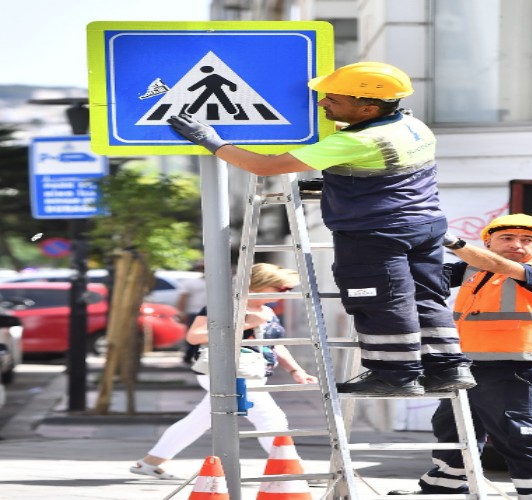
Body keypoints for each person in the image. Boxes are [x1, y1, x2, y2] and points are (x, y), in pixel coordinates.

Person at [169, 62, 474, 396]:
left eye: (334, 99)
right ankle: (448, 368)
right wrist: (339, 181)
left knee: (381, 301)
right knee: (426, 296)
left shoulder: (357, 141)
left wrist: (213, 142)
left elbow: (265, 165)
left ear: (368, 107)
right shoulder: (413, 126)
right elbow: (386, 174)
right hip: (424, 225)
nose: (322, 103)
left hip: (376, 233)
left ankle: (395, 374)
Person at [390, 214, 532, 498]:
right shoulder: (472, 271)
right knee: (452, 429)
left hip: (520, 365)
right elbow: (420, 275)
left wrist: (452, 242)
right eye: (507, 238)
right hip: (467, 364)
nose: (517, 245)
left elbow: (500, 265)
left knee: (521, 431)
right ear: (488, 242)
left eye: (528, 240)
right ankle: (443, 488)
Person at [130, 263, 318, 479]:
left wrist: (296, 370)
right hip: (228, 373)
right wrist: (246, 324)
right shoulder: (225, 306)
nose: (287, 294)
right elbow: (195, 336)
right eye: (283, 289)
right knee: (271, 419)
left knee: (198, 421)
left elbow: (274, 344)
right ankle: (293, 471)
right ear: (260, 286)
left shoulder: (267, 311)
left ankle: (149, 463)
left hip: (251, 373)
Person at [176, 262, 207, 363]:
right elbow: (183, 298)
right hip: (194, 312)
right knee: (193, 335)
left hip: (211, 312)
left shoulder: (217, 282)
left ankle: (198, 356)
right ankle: (189, 356)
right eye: (202, 267)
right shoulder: (190, 282)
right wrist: (180, 312)